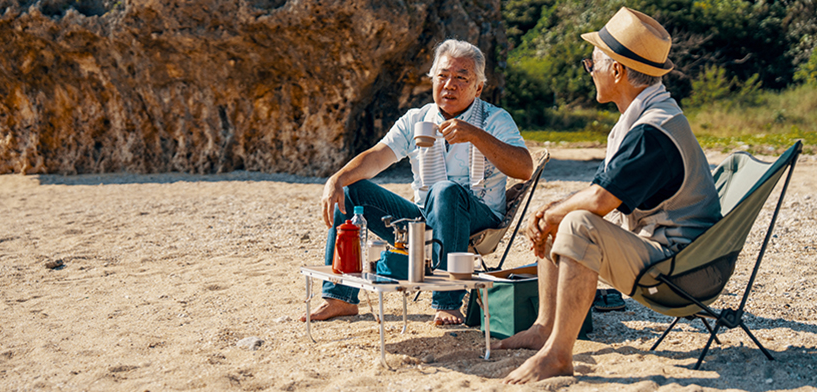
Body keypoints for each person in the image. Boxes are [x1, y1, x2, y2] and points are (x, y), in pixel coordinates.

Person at [491, 7, 722, 383]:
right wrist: (552, 212)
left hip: (684, 272)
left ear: (616, 70)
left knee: (577, 222)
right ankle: (544, 329)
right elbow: (602, 192)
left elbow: (600, 202)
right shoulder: (650, 116)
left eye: (592, 63)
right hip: (677, 255)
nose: (590, 71)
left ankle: (558, 356)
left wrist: (553, 214)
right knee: (562, 213)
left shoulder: (652, 131)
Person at [300, 39, 533, 325]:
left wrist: (475, 135)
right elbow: (377, 156)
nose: (450, 84)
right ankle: (339, 298)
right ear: (433, 79)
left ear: (479, 87)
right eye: (443, 76)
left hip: (479, 218)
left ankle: (447, 301)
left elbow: (524, 168)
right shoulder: (417, 119)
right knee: (351, 191)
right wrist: (336, 179)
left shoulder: (495, 119)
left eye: (462, 78)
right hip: (423, 221)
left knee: (445, 191)